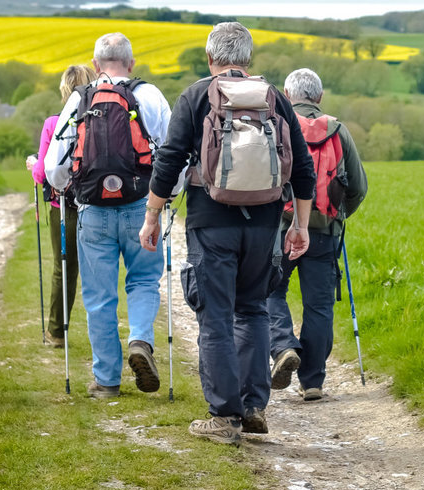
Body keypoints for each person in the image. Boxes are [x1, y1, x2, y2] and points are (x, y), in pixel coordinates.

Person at [138, 22, 317, 444]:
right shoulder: (274, 98)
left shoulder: (197, 95)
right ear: (249, 59)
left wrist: (151, 216)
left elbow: (168, 163)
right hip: (266, 221)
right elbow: (304, 169)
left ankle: (224, 418)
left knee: (215, 318)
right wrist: (301, 224)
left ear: (210, 57)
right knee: (253, 310)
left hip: (211, 220)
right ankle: (253, 405)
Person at [46, 32, 172, 399]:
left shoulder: (79, 98)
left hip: (93, 212)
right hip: (140, 208)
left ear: (95, 64)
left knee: (99, 296)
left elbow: (56, 165)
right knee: (144, 281)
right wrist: (165, 198)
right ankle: (139, 341)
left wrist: (72, 190)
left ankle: (106, 381)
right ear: (131, 64)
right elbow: (171, 154)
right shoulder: (149, 96)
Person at [267, 68, 368, 402]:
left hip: (280, 230)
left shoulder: (276, 125)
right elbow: (358, 187)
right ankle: (312, 381)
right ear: (319, 98)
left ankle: (283, 347)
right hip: (325, 232)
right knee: (319, 306)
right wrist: (336, 217)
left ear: (286, 94)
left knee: (270, 292)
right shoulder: (338, 131)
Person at [29, 64, 97, 348]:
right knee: (98, 268)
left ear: (65, 89)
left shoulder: (53, 123)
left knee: (64, 266)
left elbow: (43, 173)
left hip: (64, 205)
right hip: (97, 202)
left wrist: (33, 164)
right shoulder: (99, 120)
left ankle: (56, 332)